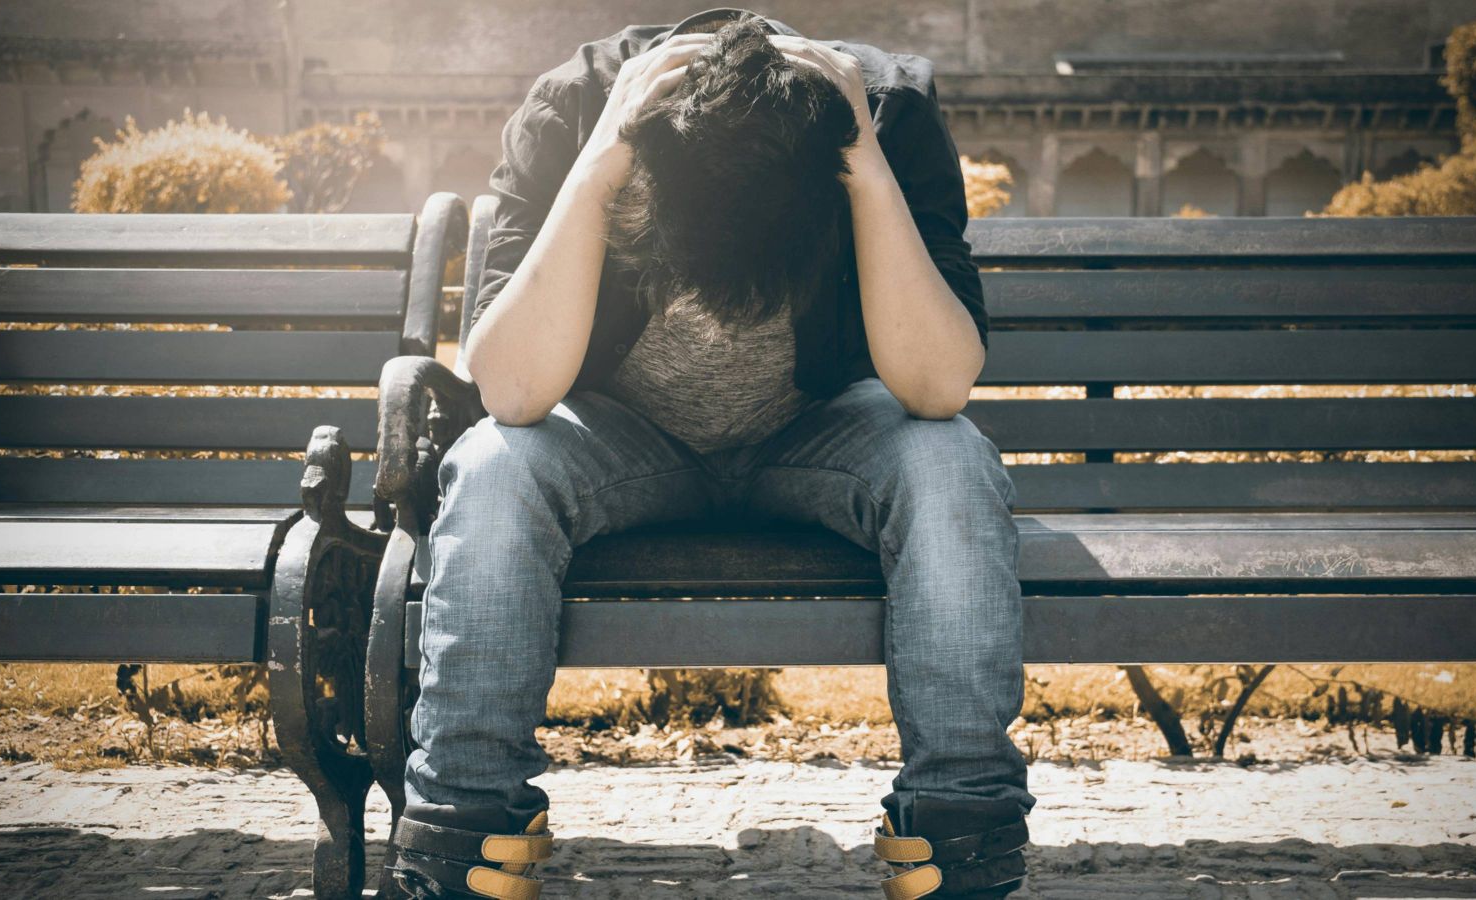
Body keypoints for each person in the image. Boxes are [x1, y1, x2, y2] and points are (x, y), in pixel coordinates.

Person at [391, 8, 1035, 898]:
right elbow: (509, 391)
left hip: (817, 433)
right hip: (620, 439)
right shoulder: (576, 107)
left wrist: (864, 171)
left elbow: (936, 388)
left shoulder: (885, 113)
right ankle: (464, 823)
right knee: (496, 466)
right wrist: (601, 165)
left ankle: (962, 823)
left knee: (949, 460)